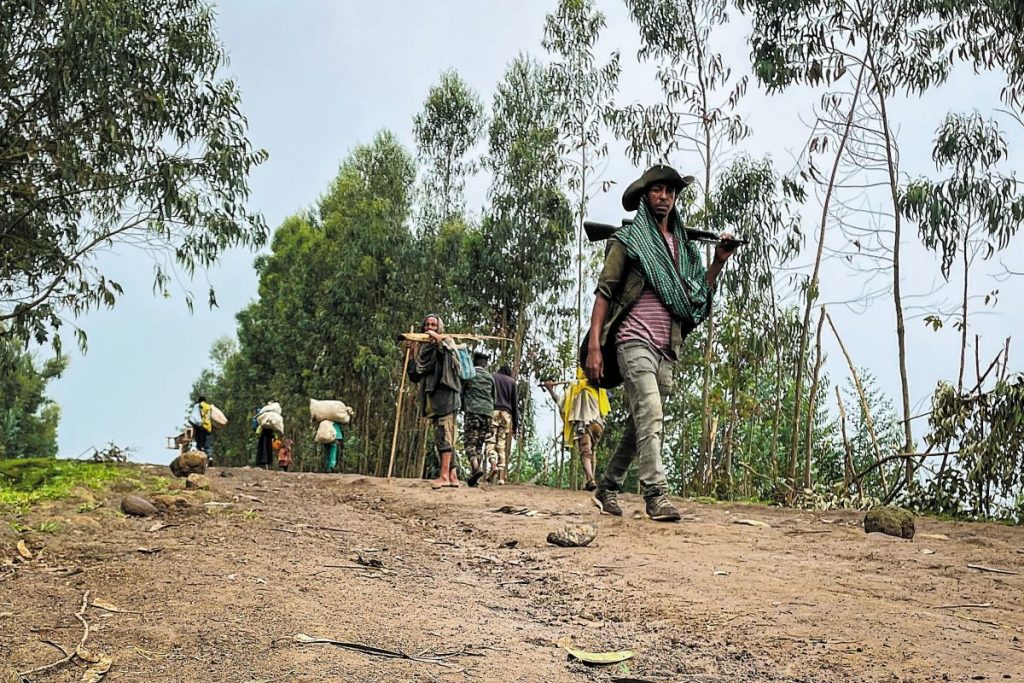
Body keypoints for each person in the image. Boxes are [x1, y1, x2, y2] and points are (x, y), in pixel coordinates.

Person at [586, 164, 736, 522]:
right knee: (651, 412)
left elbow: (697, 292)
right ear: (644, 196)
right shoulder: (629, 241)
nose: (664, 197)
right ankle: (656, 494)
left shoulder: (683, 246)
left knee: (641, 422)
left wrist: (718, 261)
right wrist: (594, 345)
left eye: (670, 191)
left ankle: (608, 486)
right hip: (631, 339)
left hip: (667, 345)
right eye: (657, 191)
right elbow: (604, 293)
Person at [407, 313, 462, 489]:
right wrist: (412, 352)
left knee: (445, 436)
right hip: (432, 399)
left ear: (439, 328)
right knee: (441, 436)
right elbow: (416, 375)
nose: (430, 329)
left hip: (446, 397)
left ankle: (445, 476)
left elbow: (450, 359)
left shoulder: (448, 343)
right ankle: (453, 476)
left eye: (434, 325)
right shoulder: (425, 350)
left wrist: (439, 341)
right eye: (427, 325)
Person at [543, 368, 610, 491]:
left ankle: (591, 479)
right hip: (599, 424)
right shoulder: (599, 388)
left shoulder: (576, 388)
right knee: (592, 451)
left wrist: (550, 389)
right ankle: (590, 480)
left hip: (585, 423)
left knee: (585, 451)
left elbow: (560, 402)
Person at [461, 351, 496, 487]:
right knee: (479, 444)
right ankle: (474, 477)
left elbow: (462, 393)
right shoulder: (490, 378)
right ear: (485, 364)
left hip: (473, 411)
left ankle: (476, 467)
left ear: (473, 362)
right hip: (487, 413)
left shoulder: (469, 375)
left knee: (469, 442)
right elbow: (494, 398)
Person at [486, 364, 519, 485]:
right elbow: (515, 405)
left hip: (493, 411)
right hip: (506, 414)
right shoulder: (511, 382)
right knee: (501, 444)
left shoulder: (492, 377)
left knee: (490, 441)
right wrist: (515, 425)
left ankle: (493, 464)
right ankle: (501, 477)